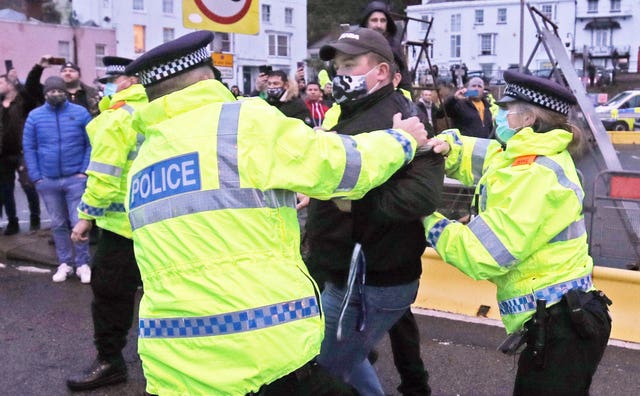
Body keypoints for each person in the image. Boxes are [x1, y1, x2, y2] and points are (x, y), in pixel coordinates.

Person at [123, 30, 429, 395]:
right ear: (207, 77)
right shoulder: (241, 122)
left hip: (175, 367)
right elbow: (341, 165)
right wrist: (403, 139)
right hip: (258, 354)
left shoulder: (143, 162)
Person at [425, 70, 612, 395]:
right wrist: (448, 146)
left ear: (526, 118)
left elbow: (480, 255)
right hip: (564, 318)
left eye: (507, 108)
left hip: (562, 329)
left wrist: (425, 217)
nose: (499, 112)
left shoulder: (535, 176)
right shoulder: (530, 155)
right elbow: (483, 157)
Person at [305, 27, 443, 396]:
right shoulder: (353, 110)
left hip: (368, 279)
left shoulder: (402, 119)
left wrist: (352, 201)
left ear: (382, 71)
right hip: (345, 268)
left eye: (351, 64)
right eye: (338, 66)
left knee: (324, 372)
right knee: (345, 358)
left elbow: (421, 196)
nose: (340, 74)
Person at [65, 56, 147, 391]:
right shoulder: (153, 110)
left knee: (111, 294)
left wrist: (85, 218)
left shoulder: (118, 117)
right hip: (157, 224)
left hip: (121, 228)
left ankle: (110, 361)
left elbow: (104, 177)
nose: (107, 86)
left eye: (114, 80)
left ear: (131, 81)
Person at [22, 76, 92, 283]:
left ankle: (83, 264)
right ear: (45, 94)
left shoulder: (80, 113)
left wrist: (83, 171)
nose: (56, 94)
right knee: (58, 223)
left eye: (59, 91)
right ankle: (65, 263)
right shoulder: (34, 117)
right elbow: (29, 147)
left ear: (66, 93)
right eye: (52, 91)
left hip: (75, 179)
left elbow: (91, 143)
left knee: (77, 222)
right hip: (48, 180)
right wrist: (36, 177)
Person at [0, 72, 41, 234]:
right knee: (6, 189)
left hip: (22, 151)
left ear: (10, 85)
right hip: (3, 154)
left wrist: (18, 82)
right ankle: (12, 221)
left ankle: (35, 219)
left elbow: (30, 95)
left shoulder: (23, 102)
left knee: (28, 185)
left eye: (1, 82)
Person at [359, 1, 411, 93]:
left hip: (390, 99)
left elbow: (405, 79)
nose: (379, 25)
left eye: (383, 20)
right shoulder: (356, 44)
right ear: (366, 22)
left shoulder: (394, 47)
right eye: (374, 20)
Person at [25, 57, 100, 117]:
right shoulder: (52, 92)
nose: (67, 73)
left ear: (79, 75)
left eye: (71, 71)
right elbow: (31, 86)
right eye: (64, 71)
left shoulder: (92, 93)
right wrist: (39, 67)